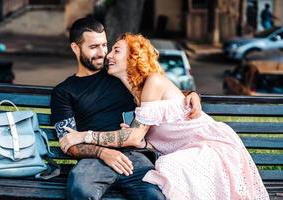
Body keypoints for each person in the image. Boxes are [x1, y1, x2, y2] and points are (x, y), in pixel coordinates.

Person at [60, 33, 270, 200]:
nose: (108, 56)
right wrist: (141, 142)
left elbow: (134, 136)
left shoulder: (152, 83)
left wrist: (83, 135)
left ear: (133, 56)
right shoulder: (136, 96)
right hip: (189, 150)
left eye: (115, 50)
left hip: (210, 147)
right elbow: (166, 109)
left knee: (167, 169)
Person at [51, 17, 202, 200]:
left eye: (104, 45)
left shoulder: (118, 72)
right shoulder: (64, 92)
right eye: (93, 47)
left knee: (155, 197)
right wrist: (103, 153)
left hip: (135, 155)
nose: (103, 53)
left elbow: (159, 90)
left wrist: (191, 95)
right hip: (94, 159)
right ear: (76, 48)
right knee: (79, 190)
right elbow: (69, 142)